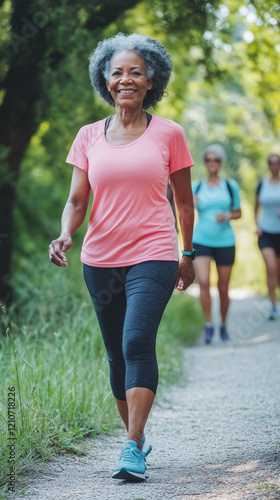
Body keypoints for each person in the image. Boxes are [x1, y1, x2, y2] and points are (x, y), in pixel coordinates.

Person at [49, 33, 195, 482]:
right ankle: (136, 432)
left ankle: (131, 446)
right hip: (100, 259)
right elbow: (77, 200)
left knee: (136, 342)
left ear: (152, 80)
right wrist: (64, 235)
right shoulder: (88, 136)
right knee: (116, 354)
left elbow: (184, 203)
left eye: (135, 72)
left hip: (153, 254)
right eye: (117, 72)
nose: (125, 79)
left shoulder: (170, 133)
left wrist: (186, 252)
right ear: (105, 81)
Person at [192, 144, 241, 343]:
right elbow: (183, 207)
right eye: (208, 160)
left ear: (221, 163)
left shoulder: (230, 185)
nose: (212, 163)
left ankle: (223, 325)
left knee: (223, 288)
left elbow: (239, 212)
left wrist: (228, 215)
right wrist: (190, 202)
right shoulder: (197, 186)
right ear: (205, 163)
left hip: (225, 241)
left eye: (216, 160)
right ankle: (209, 325)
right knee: (204, 282)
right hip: (201, 239)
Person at [255, 153, 280, 320]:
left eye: (277, 163)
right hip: (265, 232)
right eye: (271, 163)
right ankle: (272, 305)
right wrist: (256, 225)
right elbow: (255, 207)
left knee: (277, 272)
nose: (274, 165)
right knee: (270, 268)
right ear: (268, 165)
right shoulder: (262, 184)